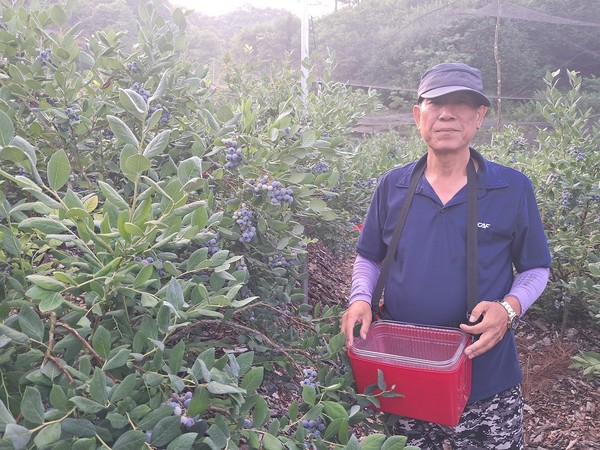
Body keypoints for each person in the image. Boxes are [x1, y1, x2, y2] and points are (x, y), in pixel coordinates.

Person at [341, 63, 552, 449]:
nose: (448, 113)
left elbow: (536, 267)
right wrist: (360, 299)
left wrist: (508, 308)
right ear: (418, 115)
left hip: (485, 376)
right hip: (404, 373)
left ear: (479, 117)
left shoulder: (511, 188)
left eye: (462, 103)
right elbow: (370, 256)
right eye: (436, 103)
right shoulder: (393, 185)